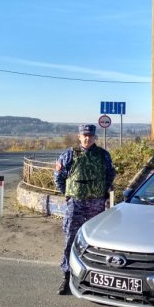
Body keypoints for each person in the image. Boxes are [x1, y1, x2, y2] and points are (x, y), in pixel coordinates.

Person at [53, 124, 116, 295]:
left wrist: (103, 191)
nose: (87, 138)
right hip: (76, 204)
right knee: (71, 239)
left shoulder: (103, 155)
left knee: (97, 243)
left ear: (95, 137)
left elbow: (110, 174)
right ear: (79, 137)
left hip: (96, 204)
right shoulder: (69, 154)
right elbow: (58, 176)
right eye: (84, 135)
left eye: (90, 135)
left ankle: (98, 279)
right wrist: (68, 194)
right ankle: (67, 276)